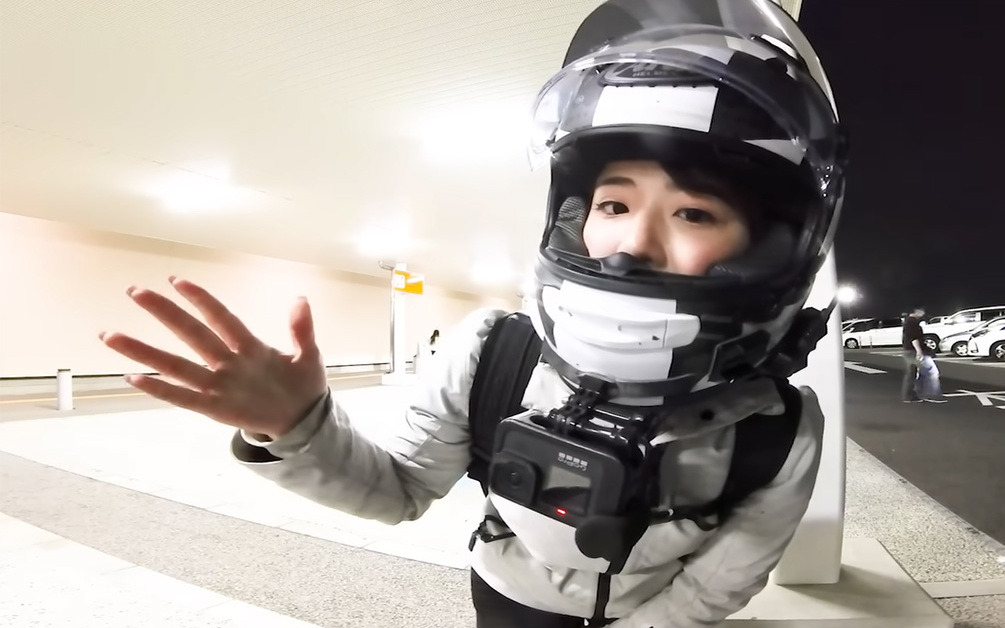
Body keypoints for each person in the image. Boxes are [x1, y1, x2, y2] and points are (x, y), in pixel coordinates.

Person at [97, 1, 848, 626]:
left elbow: (720, 584)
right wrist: (294, 429)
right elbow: (397, 492)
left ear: (765, 247)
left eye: (693, 212)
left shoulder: (778, 427)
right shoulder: (495, 353)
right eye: (614, 204)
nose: (630, 245)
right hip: (505, 599)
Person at [901, 308, 945, 403]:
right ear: (917, 311)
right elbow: (914, 338)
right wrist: (919, 351)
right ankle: (931, 395)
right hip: (914, 351)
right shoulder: (912, 323)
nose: (923, 314)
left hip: (909, 351)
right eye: (922, 312)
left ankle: (910, 396)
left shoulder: (908, 322)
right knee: (931, 372)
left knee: (912, 374)